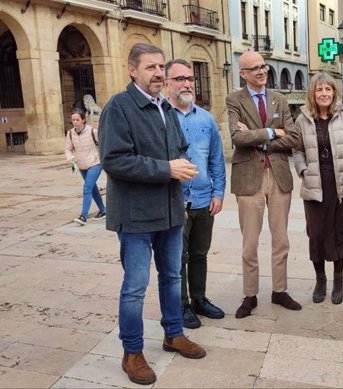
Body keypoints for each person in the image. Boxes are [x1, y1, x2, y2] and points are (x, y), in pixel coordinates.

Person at [99, 43, 206, 385]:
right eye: (150, 68)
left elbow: (181, 152)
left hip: (171, 212)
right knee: (135, 287)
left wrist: (181, 189)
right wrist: (167, 169)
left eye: (161, 67)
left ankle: (173, 334)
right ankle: (132, 353)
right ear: (132, 70)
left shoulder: (168, 109)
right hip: (135, 216)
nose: (158, 73)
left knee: (173, 277)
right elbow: (114, 161)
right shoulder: (119, 107)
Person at [226, 50, 302, 319]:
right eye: (254, 68)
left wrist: (261, 138)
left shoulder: (279, 99)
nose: (261, 72)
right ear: (243, 74)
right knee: (250, 242)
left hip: (279, 176)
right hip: (248, 178)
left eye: (263, 67)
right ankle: (250, 295)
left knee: (281, 239)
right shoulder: (234, 99)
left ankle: (279, 290)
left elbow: (293, 137)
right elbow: (237, 138)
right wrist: (272, 131)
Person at [164, 59, 227, 329]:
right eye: (179, 79)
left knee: (200, 254)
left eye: (189, 78)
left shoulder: (206, 118)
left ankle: (199, 299)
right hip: (174, 201)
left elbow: (216, 159)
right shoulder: (161, 117)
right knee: (178, 258)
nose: (187, 83)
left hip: (203, 200)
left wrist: (218, 192)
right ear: (167, 83)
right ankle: (182, 306)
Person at [293, 72, 343, 305]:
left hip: (341, 184)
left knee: (340, 232)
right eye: (319, 90)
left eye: (328, 89)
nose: (324, 94)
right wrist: (302, 170)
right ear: (313, 93)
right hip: (314, 182)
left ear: (334, 92)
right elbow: (297, 150)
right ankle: (320, 279)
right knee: (316, 234)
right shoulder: (302, 119)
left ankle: (338, 280)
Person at [65, 108, 106, 225]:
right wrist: (70, 158)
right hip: (82, 165)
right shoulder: (70, 134)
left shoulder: (93, 131)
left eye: (77, 119)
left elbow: (103, 144)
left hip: (95, 163)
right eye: (73, 120)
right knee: (93, 189)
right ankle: (103, 210)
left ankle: (83, 216)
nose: (75, 122)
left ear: (83, 120)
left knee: (87, 188)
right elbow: (68, 149)